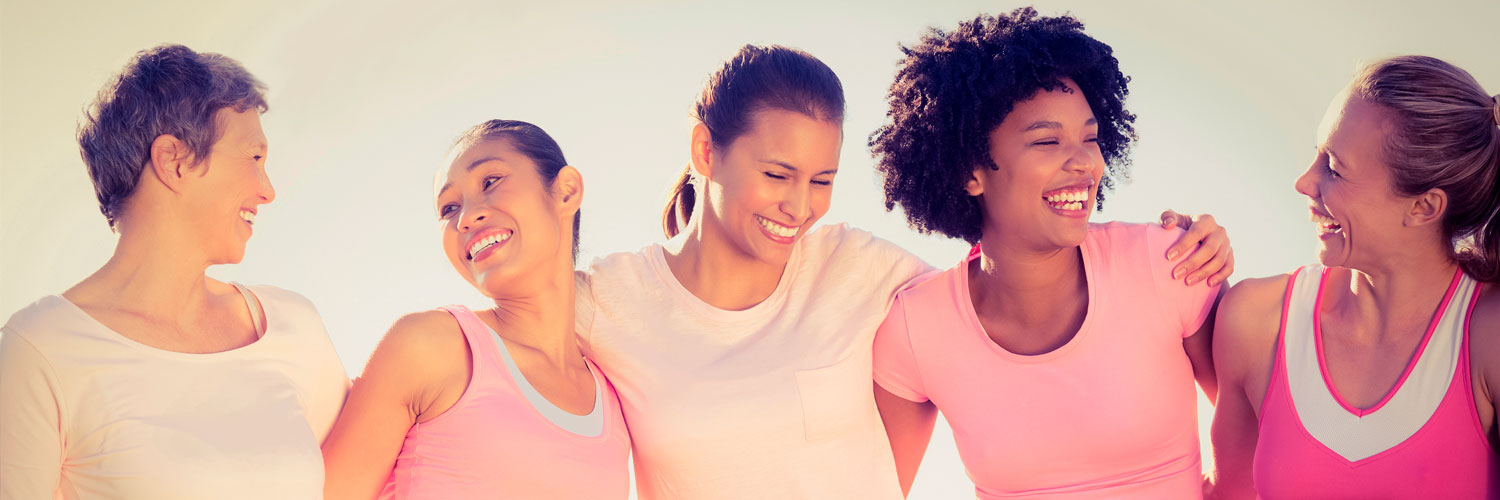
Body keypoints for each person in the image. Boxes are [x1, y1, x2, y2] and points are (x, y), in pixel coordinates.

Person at [576, 43, 1231, 499]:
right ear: (703, 149)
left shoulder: (863, 273)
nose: (799, 206)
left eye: (822, 180)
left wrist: (1178, 248)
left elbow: (1007, 283)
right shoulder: (607, 303)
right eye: (777, 174)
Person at [868, 9, 1225, 498]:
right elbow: (874, 487)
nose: (1084, 162)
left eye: (1091, 137)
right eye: (1047, 141)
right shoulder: (915, 328)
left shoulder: (1168, 263)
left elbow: (1258, 437)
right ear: (970, 172)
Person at [0, 44, 349, 499]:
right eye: (254, 158)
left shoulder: (292, 325)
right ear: (175, 161)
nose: (267, 191)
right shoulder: (39, 349)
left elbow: (375, 472)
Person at [1208, 55, 1500, 499]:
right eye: (1317, 154)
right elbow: (1227, 494)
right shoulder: (1254, 319)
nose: (1304, 182)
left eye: (1335, 168)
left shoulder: (1488, 334)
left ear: (1423, 208)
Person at [320, 120, 629, 499]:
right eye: (449, 208)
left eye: (490, 181)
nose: (466, 217)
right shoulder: (428, 346)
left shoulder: (614, 400)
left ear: (566, 191)